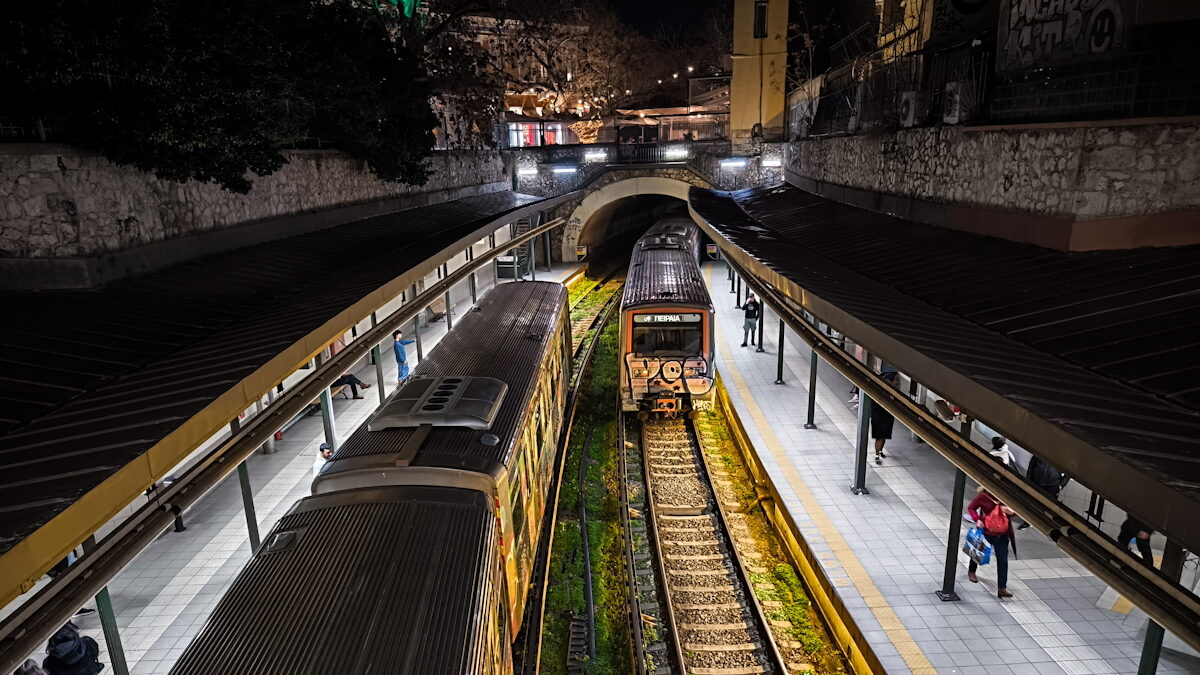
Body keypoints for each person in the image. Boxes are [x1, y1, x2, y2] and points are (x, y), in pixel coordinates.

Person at [966, 487, 1018, 598]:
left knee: (1003, 560)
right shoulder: (983, 497)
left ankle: (1002, 588)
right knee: (977, 552)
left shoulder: (1007, 498)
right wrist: (977, 519)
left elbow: (1017, 512)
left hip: (1001, 534)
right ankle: (971, 571)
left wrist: (1011, 512)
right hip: (986, 531)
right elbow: (971, 508)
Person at [1021, 455, 1070, 529]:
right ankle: (1028, 521)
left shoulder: (1062, 457)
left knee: (1049, 506)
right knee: (1033, 503)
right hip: (1038, 482)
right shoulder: (1040, 453)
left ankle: (1046, 524)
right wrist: (1029, 481)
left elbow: (1069, 472)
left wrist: (1061, 484)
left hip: (1052, 484)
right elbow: (1031, 467)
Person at [870, 370, 898, 463]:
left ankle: (880, 451)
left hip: (882, 418)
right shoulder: (888, 393)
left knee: (883, 436)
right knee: (880, 437)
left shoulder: (879, 391)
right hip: (882, 418)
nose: (896, 382)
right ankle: (877, 454)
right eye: (894, 380)